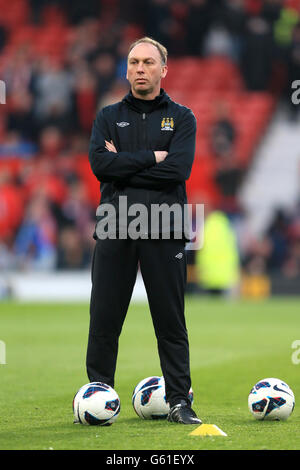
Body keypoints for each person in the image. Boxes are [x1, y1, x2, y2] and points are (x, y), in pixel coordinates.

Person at [86, 37, 201, 425]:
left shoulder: (183, 118)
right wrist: (152, 157)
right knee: (104, 318)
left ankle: (180, 403)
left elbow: (179, 170)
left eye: (148, 62)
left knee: (170, 321)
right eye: (134, 61)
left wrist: (125, 164)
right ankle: (98, 398)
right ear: (127, 68)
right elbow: (101, 166)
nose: (139, 68)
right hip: (115, 225)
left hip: (164, 227)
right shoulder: (106, 115)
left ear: (163, 69)